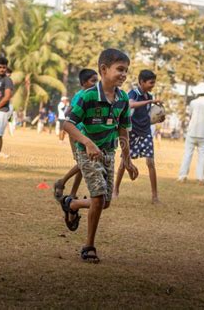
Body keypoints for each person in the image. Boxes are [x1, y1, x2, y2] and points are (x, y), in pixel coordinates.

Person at [60, 49, 138, 263]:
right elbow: (67, 123)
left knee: (104, 202)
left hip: (108, 152)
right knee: (97, 197)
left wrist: (127, 159)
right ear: (103, 70)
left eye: (126, 71)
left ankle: (72, 204)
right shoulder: (88, 96)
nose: (123, 74)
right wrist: (86, 143)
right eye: (119, 69)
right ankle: (88, 246)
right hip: (87, 153)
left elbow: (123, 129)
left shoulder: (122, 98)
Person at [113, 69, 163, 204]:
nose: (152, 85)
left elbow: (148, 115)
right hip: (132, 132)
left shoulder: (148, 96)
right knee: (124, 162)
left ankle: (154, 196)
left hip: (145, 132)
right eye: (150, 83)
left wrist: (159, 117)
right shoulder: (134, 93)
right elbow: (131, 104)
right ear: (142, 82)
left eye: (154, 83)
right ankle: (115, 190)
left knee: (150, 162)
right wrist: (150, 101)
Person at [54, 68, 98, 200]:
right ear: (83, 83)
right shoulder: (80, 95)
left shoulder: (93, 95)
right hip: (77, 134)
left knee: (82, 165)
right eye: (92, 81)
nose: (95, 84)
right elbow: (69, 113)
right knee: (82, 164)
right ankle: (61, 182)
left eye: (97, 81)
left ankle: (72, 193)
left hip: (87, 135)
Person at [177, 84, 204, 184]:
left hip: (192, 131)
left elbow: (191, 115)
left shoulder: (193, 103)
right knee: (202, 156)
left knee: (187, 154)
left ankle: (182, 176)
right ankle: (200, 178)